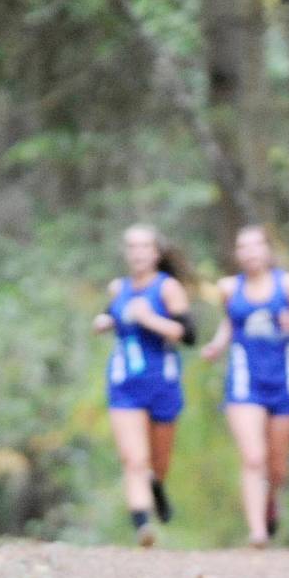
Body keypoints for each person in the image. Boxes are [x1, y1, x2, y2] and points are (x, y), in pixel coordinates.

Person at [201, 226, 289, 546]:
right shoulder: (228, 288)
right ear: (237, 253)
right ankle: (257, 532)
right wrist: (216, 346)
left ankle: (271, 502)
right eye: (243, 246)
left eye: (256, 246)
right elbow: (231, 322)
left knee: (276, 466)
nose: (250, 252)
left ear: (268, 250)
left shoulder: (288, 284)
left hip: (283, 381)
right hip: (244, 381)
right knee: (253, 457)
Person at [93, 224, 196, 546]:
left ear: (156, 253)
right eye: (131, 247)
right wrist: (105, 320)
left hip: (162, 383)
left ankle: (157, 487)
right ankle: (142, 524)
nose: (137, 253)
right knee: (134, 460)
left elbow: (189, 335)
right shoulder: (118, 288)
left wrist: (150, 318)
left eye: (144, 247)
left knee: (157, 462)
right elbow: (111, 314)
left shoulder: (167, 289)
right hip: (124, 384)